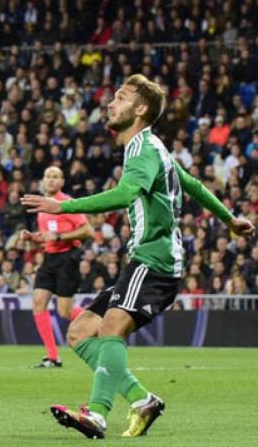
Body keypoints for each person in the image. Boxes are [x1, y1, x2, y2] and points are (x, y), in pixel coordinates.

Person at [22, 75, 254, 439]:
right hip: (146, 259)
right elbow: (191, 184)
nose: (111, 103)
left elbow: (127, 192)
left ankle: (96, 415)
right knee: (81, 331)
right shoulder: (154, 149)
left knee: (112, 326)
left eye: (120, 97)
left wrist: (62, 204)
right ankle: (141, 400)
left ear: (140, 109)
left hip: (155, 259)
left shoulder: (143, 149)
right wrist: (230, 219)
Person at [19, 167, 92, 368]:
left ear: (62, 182)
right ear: (43, 181)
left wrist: (59, 237)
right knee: (38, 302)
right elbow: (46, 237)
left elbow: (87, 230)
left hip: (67, 258)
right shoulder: (42, 208)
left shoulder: (66, 203)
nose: (51, 180)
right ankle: (52, 356)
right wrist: (33, 237)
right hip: (49, 258)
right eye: (48, 176)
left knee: (64, 311)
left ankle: (102, 324)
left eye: (55, 177)